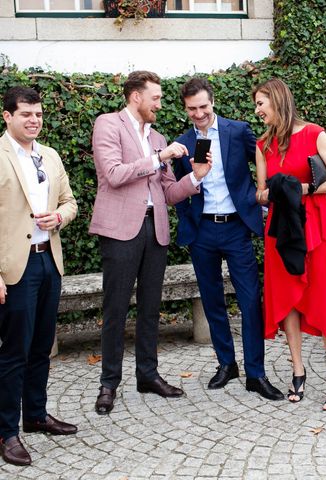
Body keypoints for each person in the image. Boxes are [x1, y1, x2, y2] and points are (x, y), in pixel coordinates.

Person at [90, 71, 212, 415]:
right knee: (115, 308)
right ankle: (108, 383)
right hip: (119, 230)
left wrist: (194, 178)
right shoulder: (108, 125)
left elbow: (168, 192)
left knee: (150, 306)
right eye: (155, 97)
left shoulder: (158, 136)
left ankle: (148, 374)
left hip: (154, 229)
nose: (159, 103)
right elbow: (113, 174)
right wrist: (159, 158)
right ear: (135, 97)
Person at [172, 77, 283, 400]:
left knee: (250, 300)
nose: (199, 114)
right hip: (202, 231)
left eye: (203, 106)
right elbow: (179, 189)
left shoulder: (238, 131)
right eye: (192, 109)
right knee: (212, 301)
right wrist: (188, 222)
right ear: (186, 108)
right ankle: (226, 364)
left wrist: (270, 196)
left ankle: (256, 373)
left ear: (213, 102)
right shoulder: (181, 144)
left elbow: (265, 161)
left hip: (236, 227)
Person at [253, 78, 326, 410]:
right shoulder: (263, 145)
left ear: (277, 101)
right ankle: (298, 370)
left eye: (261, 103)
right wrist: (275, 191)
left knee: (322, 296)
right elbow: (260, 193)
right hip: (280, 228)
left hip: (315, 224)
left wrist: (302, 189)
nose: (257, 111)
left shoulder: (314, 134)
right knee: (287, 298)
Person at [0, 86, 78, 466]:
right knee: (14, 351)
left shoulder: (50, 155)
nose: (34, 120)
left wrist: (60, 216)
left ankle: (34, 415)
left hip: (50, 260)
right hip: (14, 267)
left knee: (42, 346)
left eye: (38, 114)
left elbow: (70, 201)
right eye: (26, 114)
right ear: (8, 117)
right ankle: (6, 432)